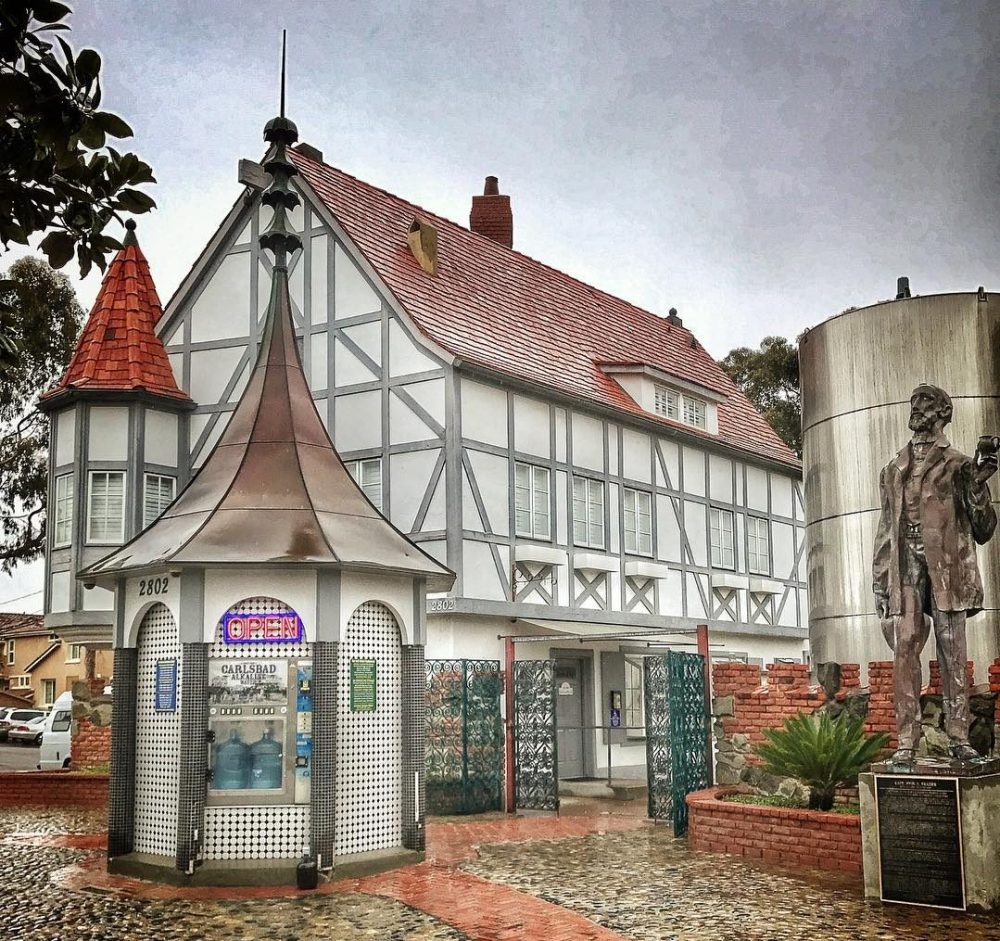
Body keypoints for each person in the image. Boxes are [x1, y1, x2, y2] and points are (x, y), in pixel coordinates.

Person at [872, 384, 998, 768]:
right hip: (905, 562)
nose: (917, 408)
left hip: (947, 565)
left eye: (926, 403)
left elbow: (983, 528)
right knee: (905, 644)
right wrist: (880, 579)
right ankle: (906, 744)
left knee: (951, 648)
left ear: (944, 412)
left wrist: (978, 484)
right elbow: (885, 528)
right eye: (914, 402)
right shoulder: (893, 468)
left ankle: (959, 740)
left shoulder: (960, 464)